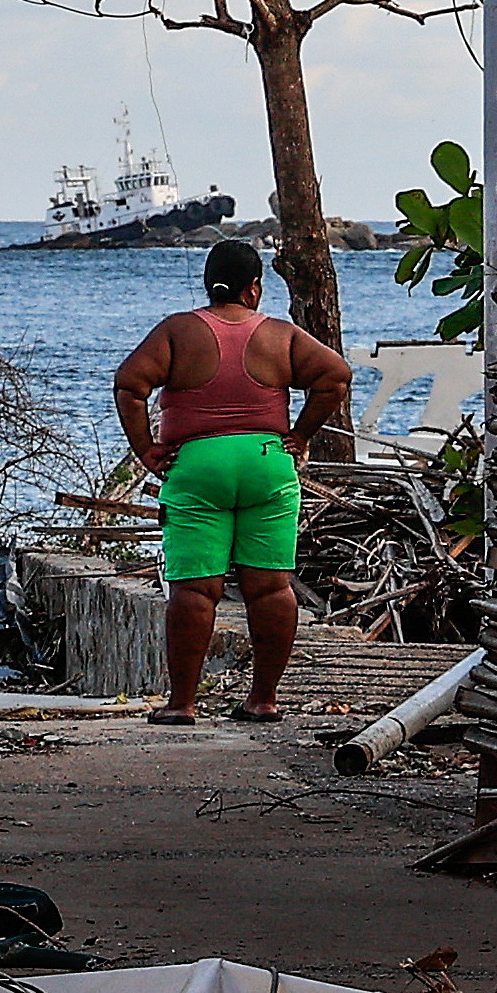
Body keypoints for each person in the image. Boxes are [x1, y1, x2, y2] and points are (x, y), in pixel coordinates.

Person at [112, 239, 352, 724]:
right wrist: (301, 435)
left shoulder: (179, 331)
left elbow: (130, 384)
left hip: (199, 465)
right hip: (266, 462)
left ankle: (181, 704)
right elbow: (336, 376)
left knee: (195, 589)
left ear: (208, 284)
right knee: (270, 586)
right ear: (255, 288)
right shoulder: (280, 335)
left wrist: (146, 449)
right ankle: (262, 700)